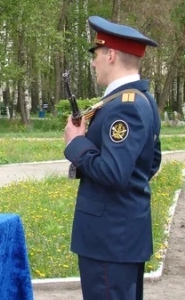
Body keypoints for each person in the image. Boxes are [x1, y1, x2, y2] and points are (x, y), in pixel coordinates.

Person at [63, 16, 161, 300]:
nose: (93, 63)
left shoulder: (123, 107)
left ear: (111, 55)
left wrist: (77, 144)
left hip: (109, 240)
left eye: (95, 55)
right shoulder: (141, 100)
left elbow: (115, 172)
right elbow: (151, 162)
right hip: (122, 236)